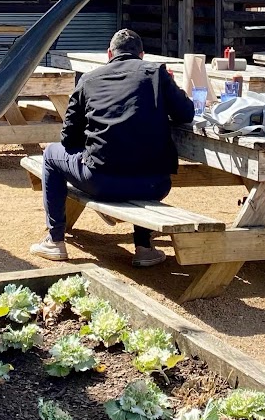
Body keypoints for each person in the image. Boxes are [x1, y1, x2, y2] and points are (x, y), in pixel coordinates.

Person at [28, 29, 195, 267]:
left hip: (100, 180)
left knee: (50, 155)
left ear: (109, 54)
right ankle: (144, 247)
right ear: (142, 55)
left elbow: (68, 138)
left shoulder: (88, 79)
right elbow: (186, 113)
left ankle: (55, 240)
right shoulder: (156, 73)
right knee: (140, 152)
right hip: (154, 184)